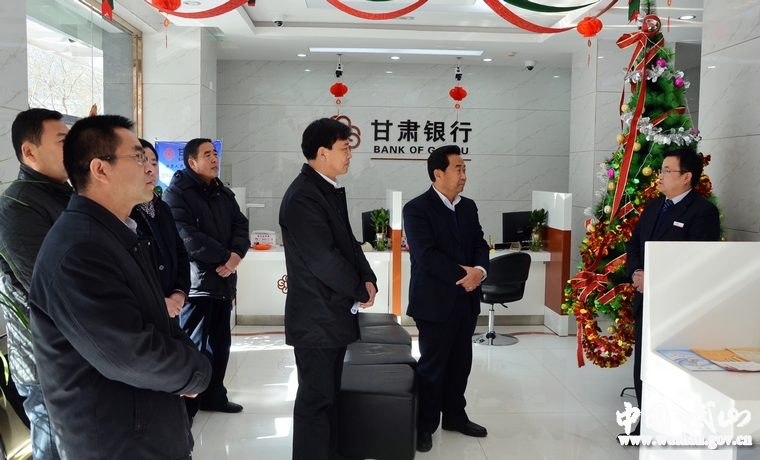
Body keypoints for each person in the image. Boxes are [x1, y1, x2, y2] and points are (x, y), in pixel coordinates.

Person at [28, 115, 211, 459]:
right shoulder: (81, 249)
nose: (149, 167)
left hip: (145, 429)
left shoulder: (118, 233)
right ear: (101, 169)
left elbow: (157, 321)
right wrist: (196, 372)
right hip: (117, 441)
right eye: (138, 157)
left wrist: (192, 362)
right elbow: (128, 354)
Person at [279, 118, 377, 460]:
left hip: (330, 314)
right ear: (322, 153)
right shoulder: (303, 196)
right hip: (316, 317)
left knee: (329, 396)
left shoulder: (325, 190)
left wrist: (367, 277)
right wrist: (359, 289)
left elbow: (348, 243)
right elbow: (324, 259)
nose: (350, 155)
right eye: (344, 148)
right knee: (316, 402)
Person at [625, 147, 721, 435]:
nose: (660, 175)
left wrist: (653, 279)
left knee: (669, 369)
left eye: (667, 171)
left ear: (687, 177)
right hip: (646, 301)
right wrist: (636, 272)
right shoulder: (654, 206)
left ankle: (670, 428)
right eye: (661, 170)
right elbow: (634, 245)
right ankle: (645, 426)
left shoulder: (703, 212)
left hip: (676, 307)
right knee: (643, 365)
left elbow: (696, 262)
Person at [403, 144, 490, 453]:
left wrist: (480, 271)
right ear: (438, 173)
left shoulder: (468, 207)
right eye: (458, 169)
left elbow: (480, 243)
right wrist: (466, 275)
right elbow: (426, 255)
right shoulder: (416, 208)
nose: (464, 175)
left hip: (466, 301)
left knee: (460, 364)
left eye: (465, 169)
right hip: (434, 301)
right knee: (433, 367)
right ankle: (425, 426)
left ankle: (455, 416)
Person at [0, 108, 70, 460]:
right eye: (62, 141)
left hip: (72, 352)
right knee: (53, 446)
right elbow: (49, 286)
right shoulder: (16, 206)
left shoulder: (66, 195)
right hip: (44, 360)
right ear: (29, 151)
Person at [163, 138, 250, 417]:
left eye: (215, 153)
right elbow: (185, 235)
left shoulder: (221, 191)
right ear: (192, 162)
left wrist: (236, 255)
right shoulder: (177, 193)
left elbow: (241, 224)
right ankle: (187, 405)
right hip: (197, 284)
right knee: (194, 345)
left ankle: (214, 396)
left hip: (223, 280)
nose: (215, 159)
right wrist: (225, 257)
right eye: (207, 155)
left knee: (220, 344)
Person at [129, 139, 189, 319]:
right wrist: (157, 302)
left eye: (154, 163)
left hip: (172, 308)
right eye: (142, 162)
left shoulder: (162, 207)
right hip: (142, 313)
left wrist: (179, 293)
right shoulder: (123, 212)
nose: (150, 169)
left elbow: (180, 252)